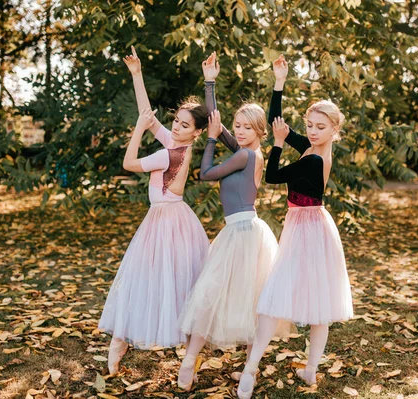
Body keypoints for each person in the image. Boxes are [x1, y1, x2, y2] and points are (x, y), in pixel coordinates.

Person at [236, 55, 354, 398]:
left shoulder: (316, 158)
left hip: (308, 229)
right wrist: (279, 82)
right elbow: (279, 123)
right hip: (307, 223)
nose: (313, 131)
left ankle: (255, 370)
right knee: (306, 300)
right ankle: (301, 370)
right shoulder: (312, 148)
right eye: (311, 125)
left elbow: (272, 176)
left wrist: (275, 143)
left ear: (334, 130)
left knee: (280, 297)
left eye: (320, 127)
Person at [177, 52, 289, 391]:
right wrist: (209, 79)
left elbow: (206, 173)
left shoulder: (246, 153)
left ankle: (247, 371)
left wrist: (211, 139)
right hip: (237, 230)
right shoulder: (244, 148)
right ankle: (189, 361)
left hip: (245, 233)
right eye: (236, 127)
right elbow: (215, 119)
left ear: (258, 132)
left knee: (232, 296)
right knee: (217, 293)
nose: (238, 132)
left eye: (245, 128)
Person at [98, 47, 210, 374]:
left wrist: (137, 128)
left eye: (184, 124)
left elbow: (129, 163)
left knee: (149, 279)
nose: (175, 127)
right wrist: (137, 74)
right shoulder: (178, 145)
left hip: (166, 222)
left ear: (197, 132)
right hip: (171, 218)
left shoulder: (170, 155)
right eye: (176, 120)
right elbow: (151, 117)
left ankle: (128, 341)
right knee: (170, 281)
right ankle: (133, 342)